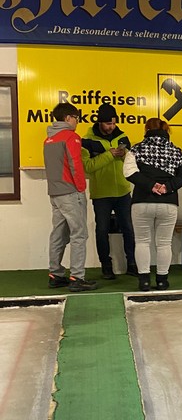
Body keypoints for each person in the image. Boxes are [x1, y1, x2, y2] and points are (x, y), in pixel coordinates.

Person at [122, 118, 182, 291]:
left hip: (142, 201)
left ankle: (144, 281)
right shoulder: (177, 151)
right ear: (166, 131)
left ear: (146, 130)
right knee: (164, 243)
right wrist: (168, 187)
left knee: (142, 242)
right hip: (168, 203)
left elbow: (129, 172)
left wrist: (151, 185)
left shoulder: (136, 149)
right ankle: (162, 280)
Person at [43, 102, 97, 292]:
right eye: (76, 118)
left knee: (58, 234)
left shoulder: (48, 139)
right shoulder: (71, 137)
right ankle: (77, 277)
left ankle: (55, 274)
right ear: (68, 118)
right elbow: (76, 165)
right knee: (79, 234)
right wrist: (81, 188)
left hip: (55, 192)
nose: (77, 122)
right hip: (71, 192)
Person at [82, 103, 138, 280]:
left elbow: (132, 162)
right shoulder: (87, 140)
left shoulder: (123, 136)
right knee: (102, 230)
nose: (111, 127)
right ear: (100, 122)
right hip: (101, 193)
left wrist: (124, 155)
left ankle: (132, 263)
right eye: (108, 124)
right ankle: (106, 266)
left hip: (123, 191)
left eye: (113, 123)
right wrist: (109, 155)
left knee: (128, 228)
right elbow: (87, 167)